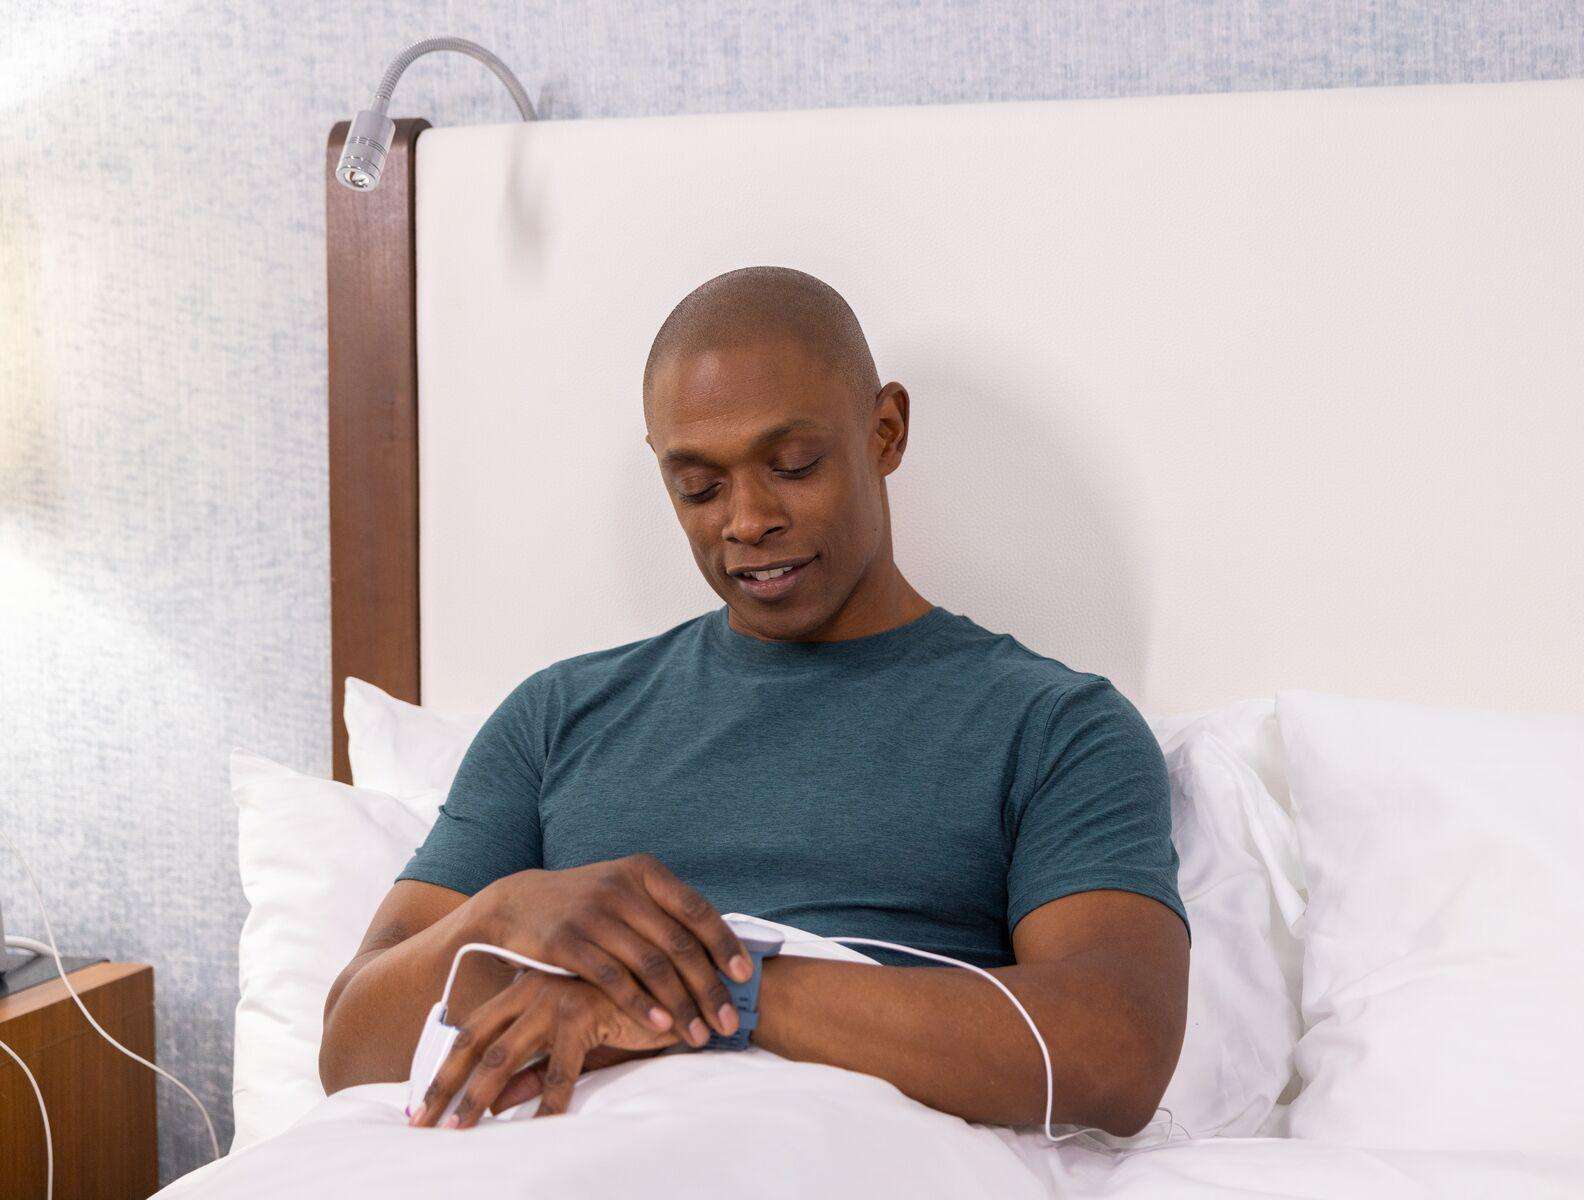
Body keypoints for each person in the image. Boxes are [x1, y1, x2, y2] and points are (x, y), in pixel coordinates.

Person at [318, 266, 1190, 1137]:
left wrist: (705, 996)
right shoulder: (557, 717)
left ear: (886, 431)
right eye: (698, 487)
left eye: (794, 465)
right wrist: (506, 912)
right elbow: (350, 1047)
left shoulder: (1052, 727)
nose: (746, 519)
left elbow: (1113, 1055)